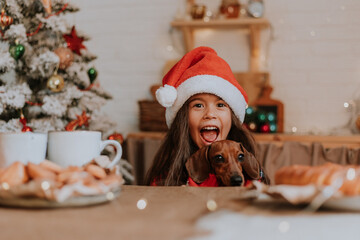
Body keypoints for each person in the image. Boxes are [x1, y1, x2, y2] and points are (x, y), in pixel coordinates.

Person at [145, 46, 258, 186]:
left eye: (220, 105)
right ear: (183, 119)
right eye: (198, 105)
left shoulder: (252, 179)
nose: (210, 114)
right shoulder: (166, 178)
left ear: (232, 116)